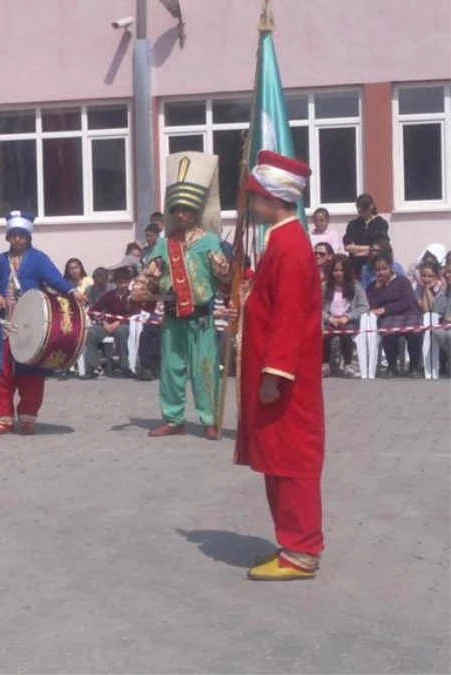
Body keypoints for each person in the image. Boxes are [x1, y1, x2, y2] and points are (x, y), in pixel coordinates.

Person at [236, 150, 326, 581]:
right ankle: (291, 543)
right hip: (275, 376)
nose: (252, 204)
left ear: (276, 197)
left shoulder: (290, 246)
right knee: (278, 458)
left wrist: (275, 374)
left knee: (292, 460)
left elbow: (290, 317)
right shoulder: (282, 241)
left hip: (286, 381)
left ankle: (302, 550)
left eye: (257, 196)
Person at [131, 152, 231, 441]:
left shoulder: (211, 241)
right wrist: (140, 289)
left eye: (186, 209)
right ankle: (173, 418)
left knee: (205, 370)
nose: (180, 215)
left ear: (196, 211)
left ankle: (210, 418)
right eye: (176, 210)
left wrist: (225, 269)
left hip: (201, 317)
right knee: (172, 369)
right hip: (173, 316)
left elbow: (225, 279)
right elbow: (150, 273)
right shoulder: (164, 244)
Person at [0, 211, 86, 437]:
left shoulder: (39, 259)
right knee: (1, 372)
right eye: (14, 235)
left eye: (22, 235)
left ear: (29, 237)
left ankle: (28, 417)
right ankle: (3, 419)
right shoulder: (0, 261)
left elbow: (56, 279)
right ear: (8, 237)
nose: (17, 239)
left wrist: (72, 291)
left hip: (31, 323)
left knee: (31, 372)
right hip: (5, 325)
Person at [366, 254, 424, 379]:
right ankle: (392, 366)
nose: (381, 272)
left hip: (409, 313)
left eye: (384, 268)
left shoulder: (403, 281)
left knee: (414, 333)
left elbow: (407, 301)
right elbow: (372, 307)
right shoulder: (372, 287)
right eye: (377, 270)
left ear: (391, 268)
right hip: (388, 318)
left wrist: (386, 309)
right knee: (388, 334)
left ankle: (414, 367)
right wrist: (377, 288)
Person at [84, 266, 136, 378]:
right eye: (120, 283)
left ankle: (124, 367)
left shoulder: (133, 296)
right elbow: (93, 311)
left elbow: (134, 314)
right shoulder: (109, 295)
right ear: (116, 283)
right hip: (107, 326)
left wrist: (118, 323)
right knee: (91, 332)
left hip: (124, 325)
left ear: (129, 282)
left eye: (125, 282)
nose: (122, 286)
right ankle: (94, 368)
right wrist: (103, 323)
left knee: (121, 332)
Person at [322, 254, 368, 377]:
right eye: (335, 270)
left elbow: (364, 307)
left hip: (348, 321)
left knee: (346, 334)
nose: (338, 274)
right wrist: (328, 317)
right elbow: (316, 307)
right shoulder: (324, 287)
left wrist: (347, 317)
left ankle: (348, 365)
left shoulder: (356, 287)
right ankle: (326, 365)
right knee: (326, 334)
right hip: (329, 320)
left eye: (341, 270)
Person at [342, 193, 389, 281]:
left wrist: (356, 249)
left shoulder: (381, 224)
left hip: (373, 269)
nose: (359, 210)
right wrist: (370, 248)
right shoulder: (353, 225)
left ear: (371, 206)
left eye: (362, 207)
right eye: (358, 207)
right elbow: (347, 246)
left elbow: (380, 248)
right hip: (355, 268)